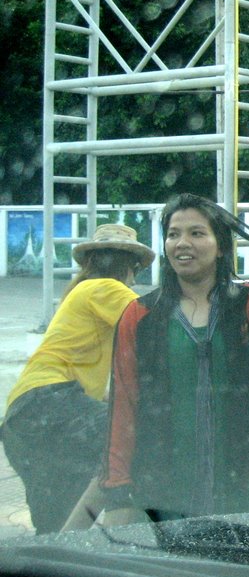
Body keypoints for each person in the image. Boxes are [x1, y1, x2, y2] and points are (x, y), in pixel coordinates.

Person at [99, 195, 249, 523]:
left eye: (197, 233)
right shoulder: (141, 315)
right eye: (173, 234)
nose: (182, 243)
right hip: (164, 484)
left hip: (238, 480)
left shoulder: (243, 305)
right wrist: (118, 484)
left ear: (221, 247)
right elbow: (124, 404)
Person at [1, 224, 155, 534]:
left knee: (56, 530)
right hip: (51, 403)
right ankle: (124, 541)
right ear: (131, 267)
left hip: (22, 419)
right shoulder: (105, 288)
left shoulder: (80, 293)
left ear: (89, 262)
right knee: (136, 443)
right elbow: (158, 328)